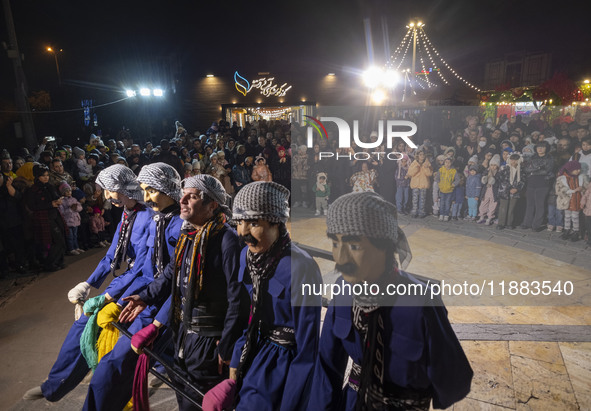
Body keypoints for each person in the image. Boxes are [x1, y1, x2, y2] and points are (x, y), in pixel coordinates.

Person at [309, 191, 473, 410]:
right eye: (336, 243)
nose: (341, 258)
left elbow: (453, 379)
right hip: (353, 401)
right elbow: (328, 364)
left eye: (354, 245)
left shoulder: (420, 301)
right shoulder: (344, 290)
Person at [23, 164, 154, 402]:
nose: (105, 197)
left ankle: (59, 386)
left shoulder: (150, 216)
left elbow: (145, 269)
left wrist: (106, 296)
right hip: (130, 278)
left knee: (94, 325)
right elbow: (112, 253)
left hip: (144, 283)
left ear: (122, 188)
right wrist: (89, 283)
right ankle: (54, 384)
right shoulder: (127, 212)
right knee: (83, 323)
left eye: (108, 191)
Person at [120, 174, 248, 410]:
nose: (183, 201)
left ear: (212, 205)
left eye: (193, 197)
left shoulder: (226, 239)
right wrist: (145, 297)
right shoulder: (188, 234)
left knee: (198, 398)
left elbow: (237, 297)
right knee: (182, 389)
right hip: (182, 329)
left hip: (207, 338)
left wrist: (228, 343)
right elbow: (171, 273)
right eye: (183, 195)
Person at [203, 181, 322, 411]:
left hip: (282, 365)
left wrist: (293, 402)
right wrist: (236, 356)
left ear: (276, 222)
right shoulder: (246, 257)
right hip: (252, 351)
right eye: (239, 222)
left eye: (254, 222)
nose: (244, 232)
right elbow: (246, 312)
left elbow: (308, 347)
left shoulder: (302, 267)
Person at [83, 162, 184, 411]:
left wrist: (158, 319)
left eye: (151, 190)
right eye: (142, 190)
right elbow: (141, 266)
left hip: (167, 305)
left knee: (116, 364)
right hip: (151, 297)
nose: (145, 197)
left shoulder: (179, 224)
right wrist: (101, 289)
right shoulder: (156, 217)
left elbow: (182, 280)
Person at [24, 163, 67, 272]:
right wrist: (50, 204)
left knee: (62, 236)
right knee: (55, 240)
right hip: (44, 218)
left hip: (55, 215)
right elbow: (32, 206)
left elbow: (55, 196)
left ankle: (58, 261)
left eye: (47, 175)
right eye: (43, 175)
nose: (46, 177)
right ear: (37, 176)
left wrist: (58, 200)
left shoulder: (49, 186)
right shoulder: (33, 190)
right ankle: (50, 263)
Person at [521, 141, 554, 231]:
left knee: (539, 205)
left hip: (543, 184)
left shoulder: (549, 158)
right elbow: (526, 169)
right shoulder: (532, 157)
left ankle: (536, 225)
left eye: (542, 147)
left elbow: (547, 171)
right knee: (529, 204)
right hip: (531, 183)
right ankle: (526, 223)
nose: (540, 149)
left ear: (546, 148)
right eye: (538, 147)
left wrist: (533, 170)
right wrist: (539, 168)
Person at [556, 160, 587, 241]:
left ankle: (576, 232)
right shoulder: (562, 179)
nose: (578, 171)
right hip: (567, 201)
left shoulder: (581, 178)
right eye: (576, 169)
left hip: (577, 201)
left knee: (575, 217)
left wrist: (582, 189)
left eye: (579, 169)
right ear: (570, 169)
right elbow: (560, 190)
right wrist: (574, 191)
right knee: (567, 216)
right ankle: (567, 230)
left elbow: (586, 189)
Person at [496, 153, 525, 230]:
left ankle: (509, 223)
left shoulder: (521, 170)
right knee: (503, 207)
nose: (513, 162)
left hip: (515, 192)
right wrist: (509, 188)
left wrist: (517, 188)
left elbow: (523, 181)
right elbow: (501, 179)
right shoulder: (504, 168)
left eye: (515, 160)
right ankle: (501, 223)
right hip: (504, 190)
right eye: (512, 160)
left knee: (512, 208)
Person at [57, 182, 84, 255]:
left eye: (70, 191)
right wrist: (71, 209)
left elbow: (80, 207)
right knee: (70, 236)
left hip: (75, 220)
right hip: (68, 221)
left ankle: (76, 247)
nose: (69, 193)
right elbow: (61, 212)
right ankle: (71, 249)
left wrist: (76, 208)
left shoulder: (74, 199)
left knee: (75, 235)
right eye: (67, 191)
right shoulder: (62, 201)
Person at [408, 150, 433, 218]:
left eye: (423, 155)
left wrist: (425, 167)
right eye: (420, 154)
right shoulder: (414, 163)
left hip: (423, 184)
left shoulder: (427, 164)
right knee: (415, 199)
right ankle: (414, 211)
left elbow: (429, 174)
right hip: (415, 184)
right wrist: (416, 168)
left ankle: (421, 212)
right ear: (417, 156)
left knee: (422, 199)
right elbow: (410, 173)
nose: (422, 156)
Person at [477, 154, 501, 225]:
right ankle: (482, 216)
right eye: (491, 165)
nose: (493, 167)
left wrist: (494, 180)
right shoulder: (487, 171)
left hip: (494, 192)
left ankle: (489, 217)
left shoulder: (499, 173)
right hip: (486, 190)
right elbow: (483, 177)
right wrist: (484, 179)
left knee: (492, 205)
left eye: (495, 165)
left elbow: (499, 182)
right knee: (483, 203)